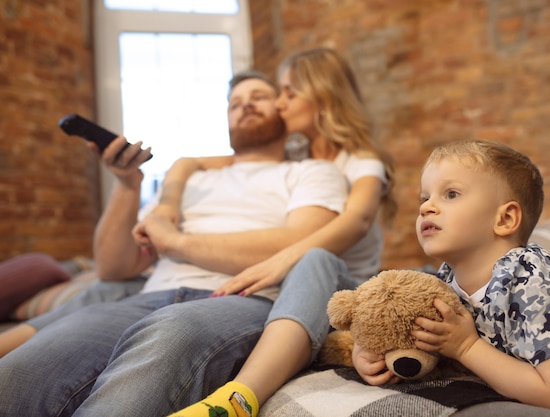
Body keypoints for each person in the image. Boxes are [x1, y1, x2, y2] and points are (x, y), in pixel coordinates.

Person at [0, 70, 349, 416]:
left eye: (258, 97)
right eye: (235, 103)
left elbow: (296, 243)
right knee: (20, 372)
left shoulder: (312, 172)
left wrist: (174, 241)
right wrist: (126, 185)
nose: (245, 106)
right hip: (148, 297)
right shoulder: (187, 182)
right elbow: (114, 267)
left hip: (239, 299)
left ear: (281, 109)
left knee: (169, 333)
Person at [161, 47, 397, 417]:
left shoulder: (362, 162)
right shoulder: (298, 162)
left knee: (315, 258)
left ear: (321, 99)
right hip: (300, 287)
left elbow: (357, 221)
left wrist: (283, 258)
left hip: (343, 285)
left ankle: (239, 400)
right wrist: (174, 187)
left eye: (289, 93)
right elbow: (198, 161)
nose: (280, 104)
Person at [352, 139, 550, 415]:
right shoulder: (446, 277)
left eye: (451, 194)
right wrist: (366, 354)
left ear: (505, 219)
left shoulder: (532, 282)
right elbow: (410, 332)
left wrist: (466, 347)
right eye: (425, 198)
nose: (426, 208)